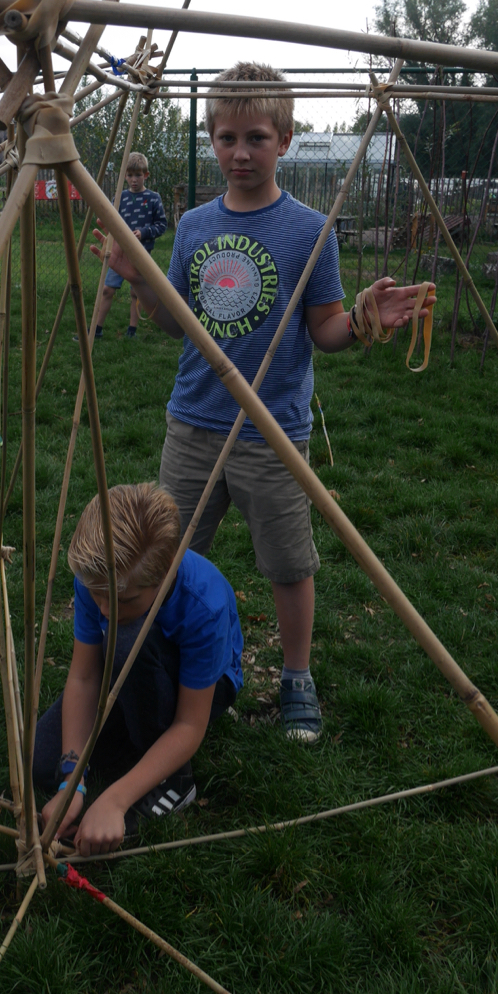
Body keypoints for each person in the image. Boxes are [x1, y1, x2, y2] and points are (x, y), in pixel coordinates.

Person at [93, 62, 435, 743]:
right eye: (227, 138)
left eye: (255, 137)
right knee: (168, 557)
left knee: (287, 563)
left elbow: (325, 330)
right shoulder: (193, 225)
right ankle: (167, 663)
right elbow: (178, 325)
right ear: (212, 141)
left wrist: (364, 320)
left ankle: (296, 676)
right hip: (193, 422)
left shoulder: (310, 229)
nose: (240, 152)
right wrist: (141, 284)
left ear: (284, 139)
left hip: (271, 431)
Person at [34, 482, 242, 857]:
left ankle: (175, 779)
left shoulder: (204, 605)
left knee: (129, 637)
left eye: (123, 599)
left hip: (202, 689)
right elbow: (85, 677)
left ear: (166, 574)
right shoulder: (101, 579)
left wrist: (115, 799)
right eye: (96, 595)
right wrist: (72, 781)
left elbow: (189, 724)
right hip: (124, 672)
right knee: (39, 759)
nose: (105, 609)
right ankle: (136, 743)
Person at [94, 152, 166, 340]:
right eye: (130, 175)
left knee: (136, 292)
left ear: (146, 175)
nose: (134, 180)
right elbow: (110, 219)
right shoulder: (120, 197)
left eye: (138, 175)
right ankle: (96, 329)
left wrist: (144, 232)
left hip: (141, 254)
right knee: (107, 290)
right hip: (119, 253)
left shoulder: (153, 198)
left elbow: (162, 225)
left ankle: (131, 330)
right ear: (124, 176)